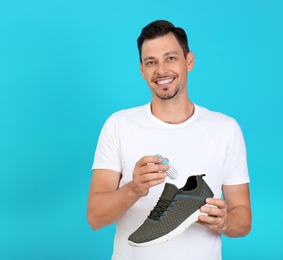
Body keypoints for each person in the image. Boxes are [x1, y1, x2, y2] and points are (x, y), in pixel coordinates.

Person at [87, 20, 252, 259]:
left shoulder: (225, 129)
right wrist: (134, 189)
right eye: (151, 62)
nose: (161, 70)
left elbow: (243, 220)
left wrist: (225, 222)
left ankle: (190, 199)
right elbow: (95, 218)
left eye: (171, 58)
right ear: (142, 70)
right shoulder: (118, 125)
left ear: (189, 61)